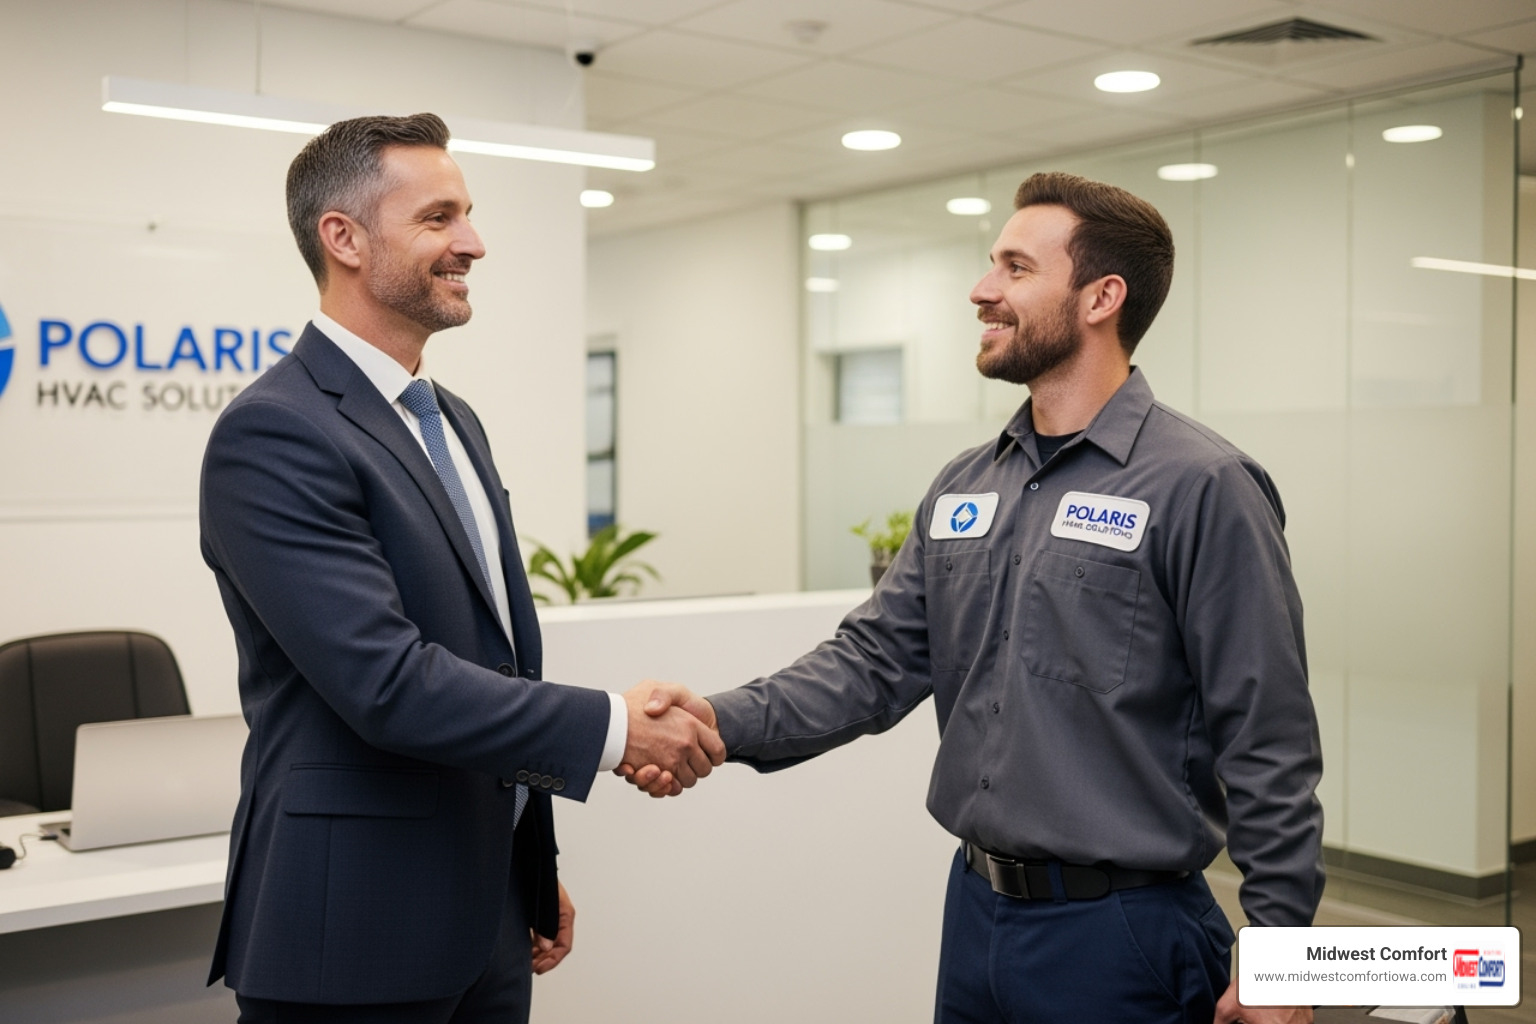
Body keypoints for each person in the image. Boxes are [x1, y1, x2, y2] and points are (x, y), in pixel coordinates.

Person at [628, 172, 1322, 1024]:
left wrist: (1287, 956)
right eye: (991, 264)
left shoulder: (1203, 486)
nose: (981, 289)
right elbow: (875, 661)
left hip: (1122, 934)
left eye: (1015, 268)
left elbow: (1269, 733)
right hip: (977, 916)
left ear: (1103, 297)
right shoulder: (968, 484)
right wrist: (717, 721)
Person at [199, 112, 722, 1023]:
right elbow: (387, 682)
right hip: (351, 934)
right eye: (440, 218)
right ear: (344, 239)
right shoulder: (276, 431)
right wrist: (612, 729)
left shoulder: (452, 419)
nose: (473, 242)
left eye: (468, 214)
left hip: (483, 918)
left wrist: (527, 866)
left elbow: (493, 661)